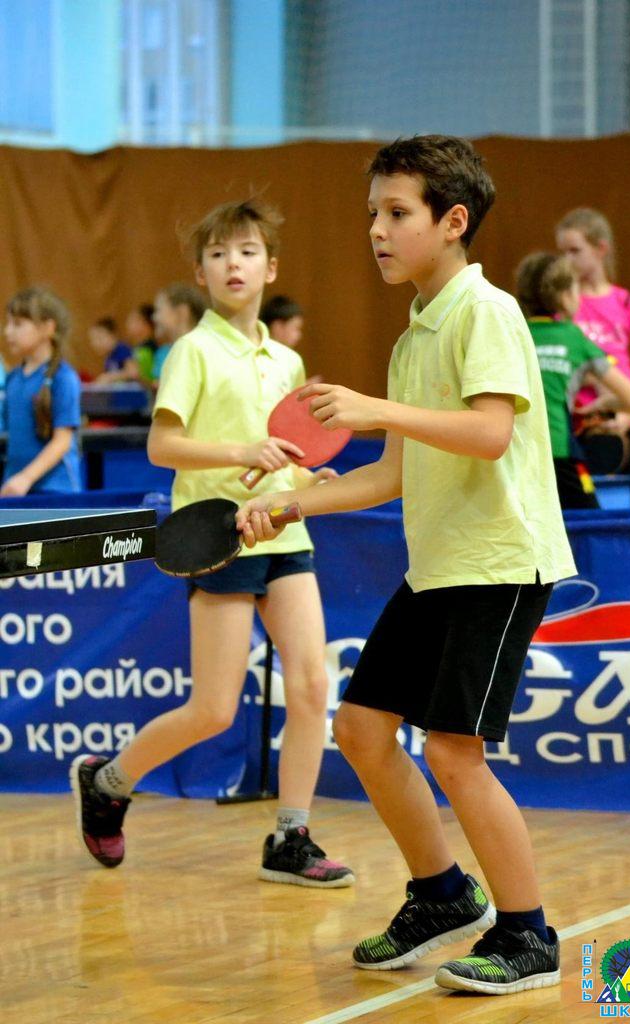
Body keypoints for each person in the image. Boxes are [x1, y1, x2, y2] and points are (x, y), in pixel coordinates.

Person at [237, 136, 577, 995]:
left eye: (397, 213)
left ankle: (528, 934)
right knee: (360, 729)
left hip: (499, 563)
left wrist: (375, 408)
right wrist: (292, 501)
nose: (377, 231)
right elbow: (393, 473)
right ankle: (440, 894)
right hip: (438, 565)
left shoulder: (483, 311)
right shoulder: (413, 335)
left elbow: (490, 432)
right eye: (372, 214)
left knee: (455, 754)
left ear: (452, 221)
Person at [70, 198, 352, 889]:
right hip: (219, 539)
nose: (234, 264)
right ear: (200, 272)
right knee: (214, 709)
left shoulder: (287, 360)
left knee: (312, 684)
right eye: (220, 253)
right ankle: (108, 782)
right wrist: (241, 450)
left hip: (284, 532)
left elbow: (284, 454)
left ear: (270, 267)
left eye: (248, 251)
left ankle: (290, 837)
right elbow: (163, 445)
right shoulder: (191, 352)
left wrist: (307, 478)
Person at [516, 252, 630, 509]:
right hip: (560, 450)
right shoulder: (574, 338)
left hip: (516, 454)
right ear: (566, 295)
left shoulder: (514, 331)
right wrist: (601, 404)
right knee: (591, 524)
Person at [555, 208, 630, 440]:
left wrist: (628, 413)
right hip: (580, 419)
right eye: (562, 252)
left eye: (575, 251)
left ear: (601, 249)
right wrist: (594, 378)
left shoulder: (626, 302)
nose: (566, 260)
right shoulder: (565, 304)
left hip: (627, 421)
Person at [1, 287, 81, 496]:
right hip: (15, 488)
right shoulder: (13, 378)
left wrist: (26, 478)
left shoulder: (63, 378)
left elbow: (62, 441)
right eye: (7, 323)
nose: (7, 332)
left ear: (47, 328)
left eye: (17, 324)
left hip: (56, 491)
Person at [151, 283, 206, 384]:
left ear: (182, 312)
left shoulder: (202, 352)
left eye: (158, 310)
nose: (154, 317)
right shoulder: (164, 352)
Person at [88, 317, 136, 383]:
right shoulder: (108, 357)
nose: (96, 343)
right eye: (93, 340)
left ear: (113, 335)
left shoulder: (122, 349)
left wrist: (110, 377)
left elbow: (133, 372)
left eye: (100, 338)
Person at [125, 303, 157, 384]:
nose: (128, 323)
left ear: (146, 324)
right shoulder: (136, 348)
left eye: (133, 320)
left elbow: (148, 378)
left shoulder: (150, 348)